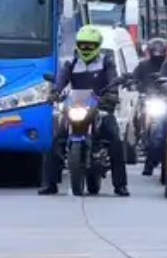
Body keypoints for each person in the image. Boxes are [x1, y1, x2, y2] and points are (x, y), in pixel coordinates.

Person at [39, 25, 129, 197]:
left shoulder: (106, 62)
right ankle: (50, 183)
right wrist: (55, 92)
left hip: (100, 108)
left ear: (98, 45)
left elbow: (112, 78)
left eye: (90, 45)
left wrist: (112, 93)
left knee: (115, 140)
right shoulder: (71, 64)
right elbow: (61, 79)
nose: (86, 48)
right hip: (76, 106)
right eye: (83, 44)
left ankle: (120, 185)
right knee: (56, 140)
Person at [133, 37, 167, 176]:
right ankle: (140, 135)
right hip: (148, 99)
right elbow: (134, 77)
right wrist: (133, 83)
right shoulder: (143, 66)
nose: (157, 54)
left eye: (160, 51)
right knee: (139, 113)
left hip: (165, 101)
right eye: (155, 51)